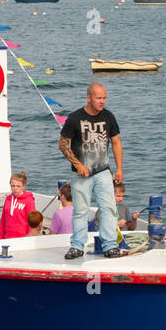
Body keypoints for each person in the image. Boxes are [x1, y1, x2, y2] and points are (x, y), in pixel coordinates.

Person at [58, 82, 123, 259]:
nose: (102, 101)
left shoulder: (108, 116)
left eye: (104, 98)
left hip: (103, 171)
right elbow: (63, 144)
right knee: (80, 210)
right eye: (99, 98)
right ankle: (77, 246)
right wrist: (78, 164)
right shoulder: (74, 118)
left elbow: (116, 142)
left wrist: (119, 169)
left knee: (109, 208)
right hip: (81, 174)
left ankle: (110, 245)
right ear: (89, 98)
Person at [0, 172, 36, 240]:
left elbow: (31, 223)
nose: (15, 188)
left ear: (23, 186)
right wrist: (0, 238)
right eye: (13, 186)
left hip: (23, 238)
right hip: (8, 237)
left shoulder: (29, 201)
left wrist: (28, 239)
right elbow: (3, 220)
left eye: (18, 186)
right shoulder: (8, 199)